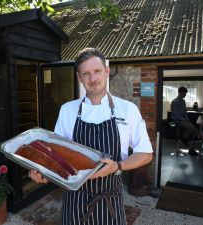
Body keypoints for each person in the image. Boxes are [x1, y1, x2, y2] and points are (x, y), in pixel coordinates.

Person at [29, 48, 153, 225]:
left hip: (110, 201)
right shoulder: (68, 110)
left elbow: (146, 153)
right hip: (75, 201)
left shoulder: (127, 110)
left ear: (107, 71)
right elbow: (56, 156)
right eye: (85, 74)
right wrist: (43, 171)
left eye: (97, 71)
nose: (93, 79)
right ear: (79, 78)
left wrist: (118, 166)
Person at [170, 86, 200, 156]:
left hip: (183, 120)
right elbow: (176, 114)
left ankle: (186, 140)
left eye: (186, 93)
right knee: (192, 128)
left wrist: (187, 119)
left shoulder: (183, 101)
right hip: (176, 120)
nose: (185, 94)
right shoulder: (174, 102)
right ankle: (188, 144)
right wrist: (185, 120)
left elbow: (184, 112)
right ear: (180, 92)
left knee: (193, 129)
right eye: (184, 93)